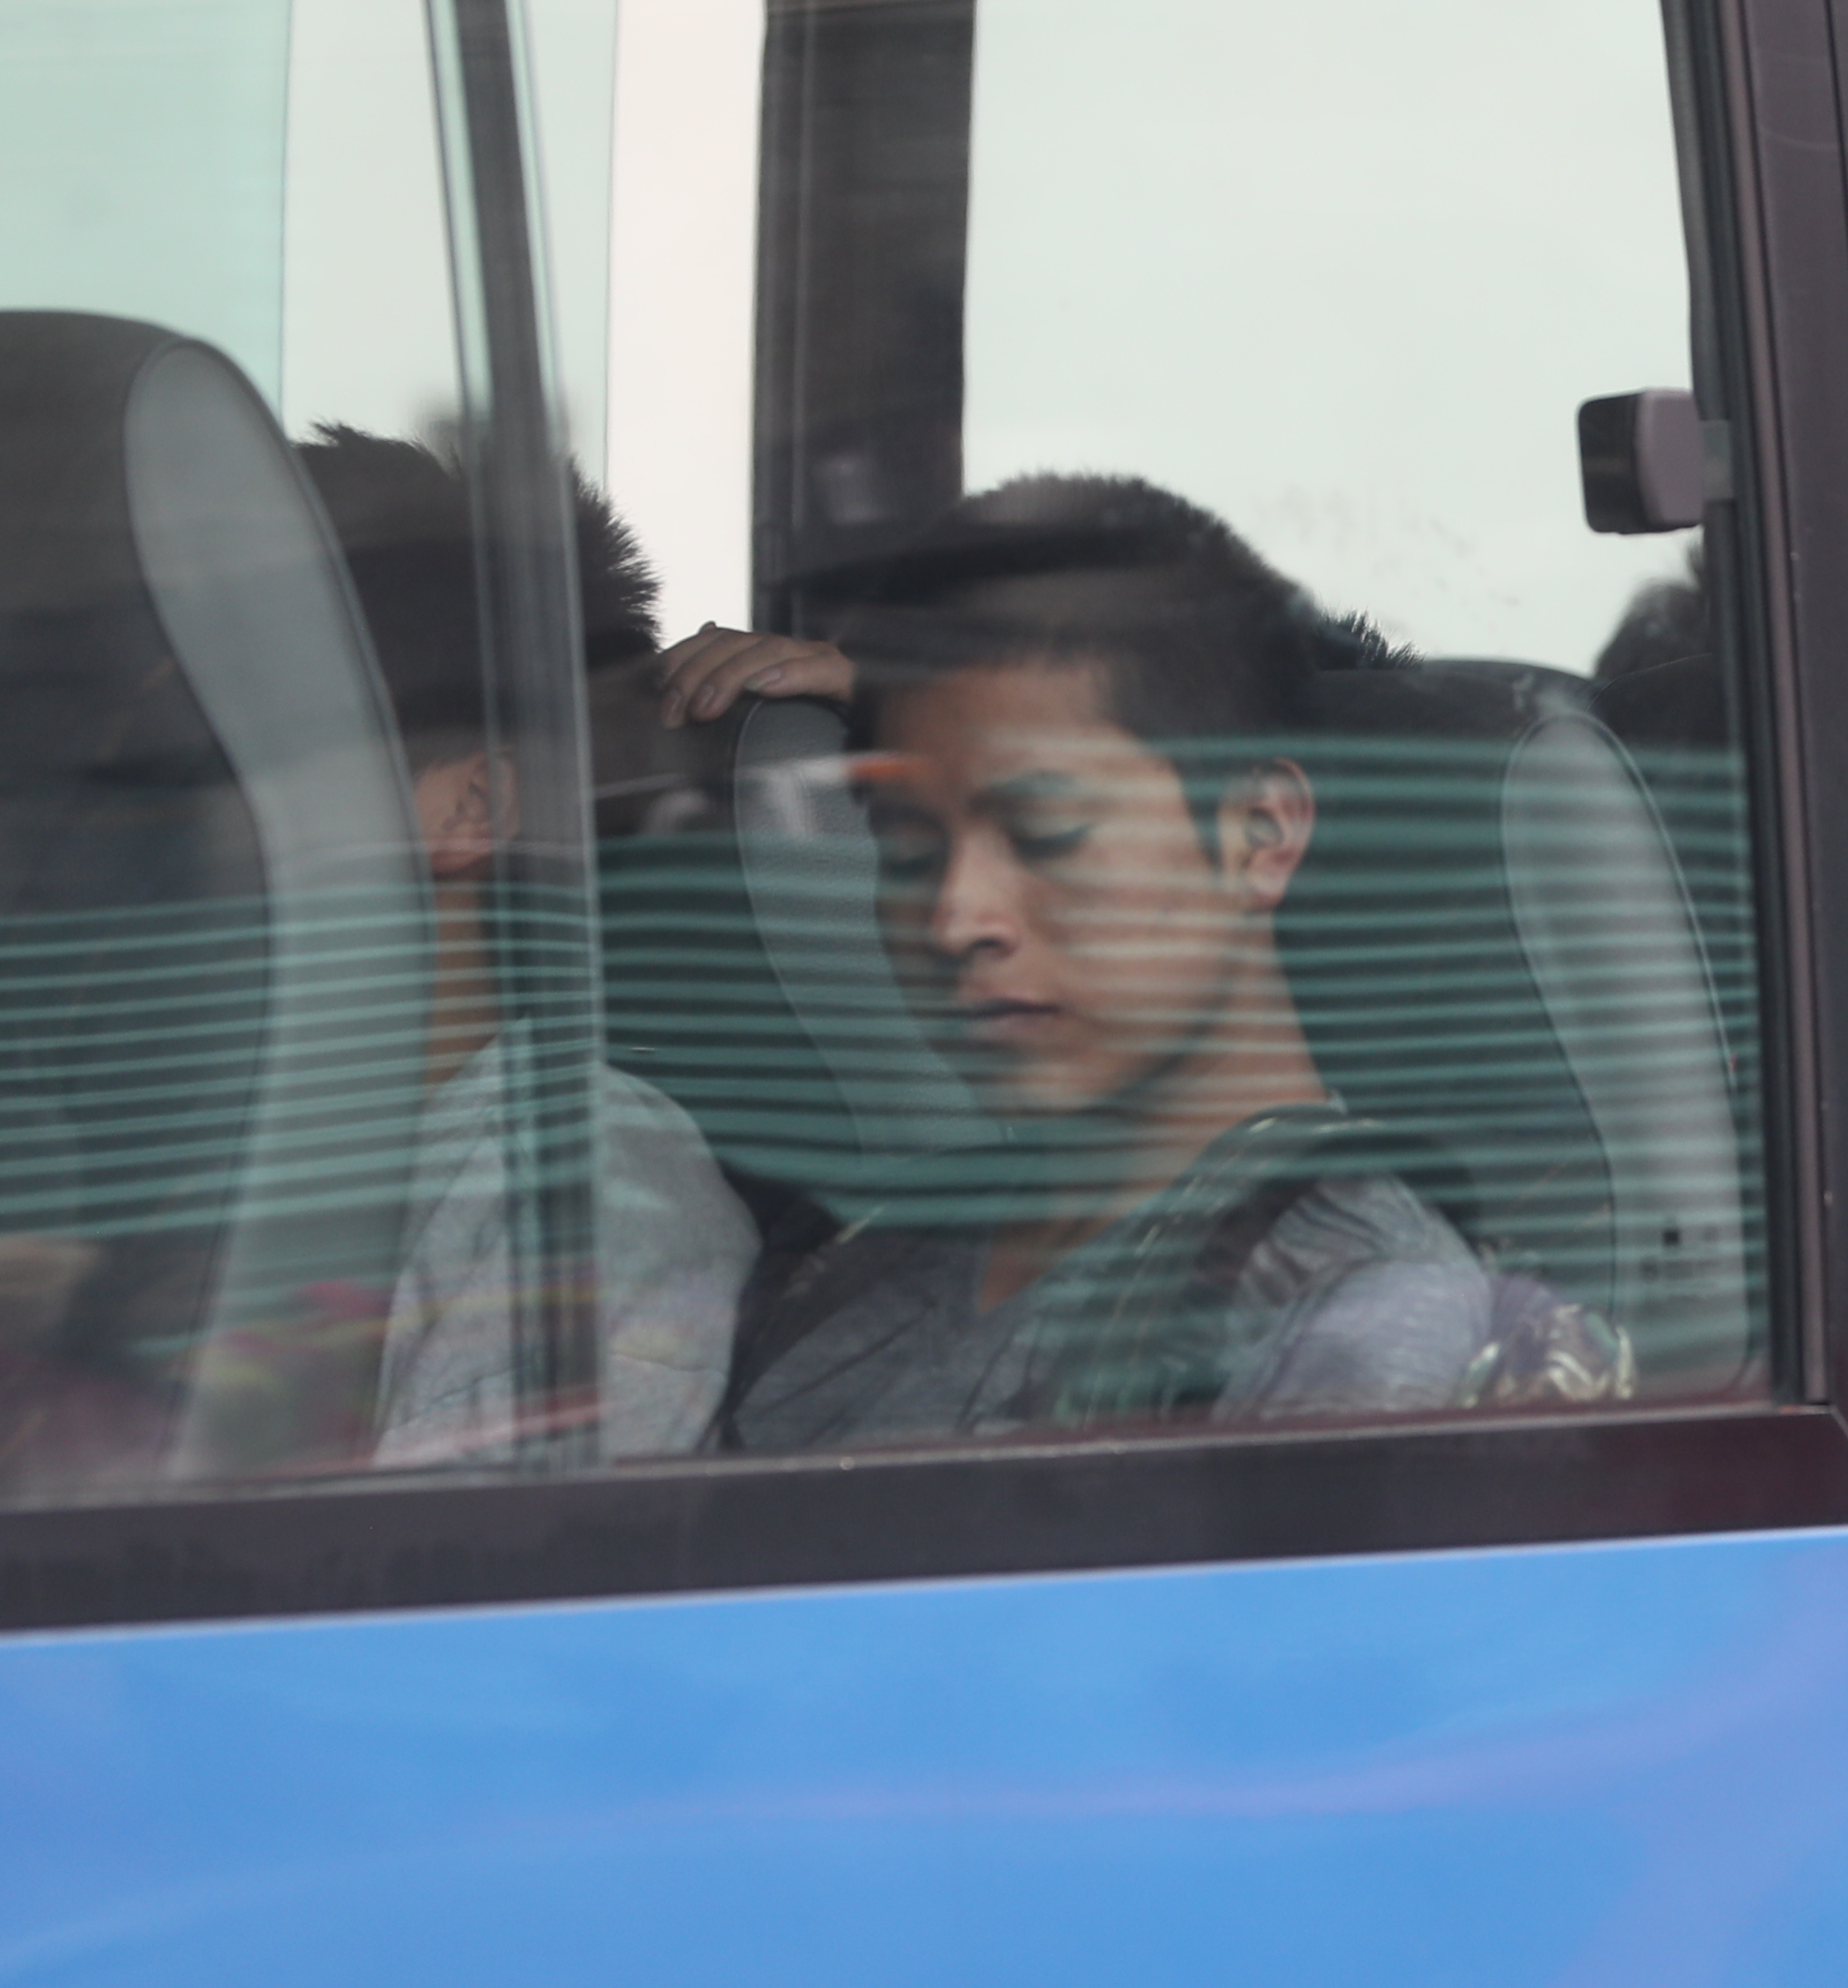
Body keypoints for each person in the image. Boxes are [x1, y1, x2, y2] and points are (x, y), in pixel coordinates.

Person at [689, 475, 1620, 1446]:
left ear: (1261, 831)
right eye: (911, 847)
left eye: (1046, 833)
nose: (956, 916)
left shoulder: (1350, 1312)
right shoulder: (861, 1257)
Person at [299, 426, 758, 1463]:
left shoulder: (571, 1208)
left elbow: (426, 1610)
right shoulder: (178, 1146)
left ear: (470, 807)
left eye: (233, 753)